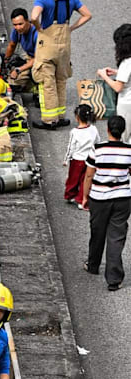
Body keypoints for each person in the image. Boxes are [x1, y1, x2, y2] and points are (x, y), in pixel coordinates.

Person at [29, 0, 91, 130]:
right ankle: (61, 116)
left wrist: (39, 28)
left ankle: (50, 120)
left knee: (47, 81)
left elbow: (34, 17)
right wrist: (71, 28)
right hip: (65, 45)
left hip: (47, 45)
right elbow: (87, 14)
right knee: (61, 80)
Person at [83, 114, 131, 291]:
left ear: (108, 129)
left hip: (99, 198)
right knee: (116, 237)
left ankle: (93, 265)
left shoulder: (98, 149)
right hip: (122, 199)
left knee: (97, 232)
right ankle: (114, 279)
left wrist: (85, 196)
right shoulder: (129, 150)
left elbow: (89, 175)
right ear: (123, 131)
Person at [96, 23, 131, 135]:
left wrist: (104, 76)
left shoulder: (126, 62)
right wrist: (117, 72)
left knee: (125, 135)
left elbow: (118, 87)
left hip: (127, 104)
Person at [64, 104, 99, 207]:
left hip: (77, 160)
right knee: (85, 180)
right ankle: (81, 199)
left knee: (73, 179)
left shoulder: (75, 132)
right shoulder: (93, 129)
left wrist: (66, 159)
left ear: (77, 117)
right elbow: (97, 142)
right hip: (89, 159)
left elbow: (71, 147)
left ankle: (70, 195)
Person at [3, 7, 38, 94]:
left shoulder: (37, 34)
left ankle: (35, 87)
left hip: (42, 59)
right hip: (30, 57)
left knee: (17, 80)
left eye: (20, 24)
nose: (18, 28)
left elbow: (38, 58)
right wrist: (5, 61)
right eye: (15, 25)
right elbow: (12, 45)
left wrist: (19, 70)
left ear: (27, 21)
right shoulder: (17, 31)